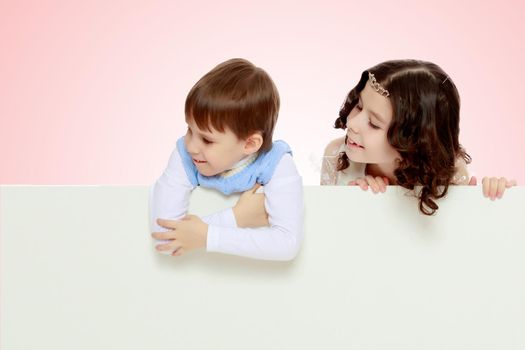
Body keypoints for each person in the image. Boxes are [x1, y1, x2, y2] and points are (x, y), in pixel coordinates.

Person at [150, 58, 303, 260]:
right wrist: (236, 218)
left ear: (249, 144)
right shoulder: (184, 155)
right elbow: (165, 237)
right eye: (189, 129)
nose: (191, 146)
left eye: (207, 139)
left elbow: (287, 245)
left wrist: (206, 235)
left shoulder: (276, 163)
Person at [321, 59, 516, 215]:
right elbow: (325, 224)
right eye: (359, 106)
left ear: (411, 142)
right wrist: (352, 202)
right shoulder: (337, 155)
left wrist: (495, 193)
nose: (352, 123)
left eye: (374, 123)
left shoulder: (450, 173)